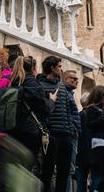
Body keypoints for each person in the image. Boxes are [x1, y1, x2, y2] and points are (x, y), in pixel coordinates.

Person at [37, 56, 77, 192]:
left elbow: (68, 111)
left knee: (63, 173)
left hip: (66, 136)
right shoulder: (40, 86)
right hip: (51, 136)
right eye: (59, 66)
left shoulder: (62, 87)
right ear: (52, 68)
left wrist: (71, 130)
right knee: (47, 173)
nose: (61, 69)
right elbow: (41, 112)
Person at [7, 56, 51, 177]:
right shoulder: (31, 82)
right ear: (33, 68)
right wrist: (51, 100)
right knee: (31, 168)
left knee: (17, 168)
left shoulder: (13, 82)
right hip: (30, 131)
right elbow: (45, 109)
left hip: (13, 130)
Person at [84, 86, 104, 192]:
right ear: (102, 96)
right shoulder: (91, 109)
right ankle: (96, 189)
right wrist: (102, 119)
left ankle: (99, 189)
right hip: (99, 141)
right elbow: (89, 125)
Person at [63, 70, 81, 192]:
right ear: (65, 79)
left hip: (71, 134)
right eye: (72, 78)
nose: (76, 80)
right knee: (69, 170)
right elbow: (66, 114)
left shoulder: (69, 93)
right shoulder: (64, 93)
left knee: (69, 169)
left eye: (77, 79)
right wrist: (73, 129)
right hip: (69, 135)